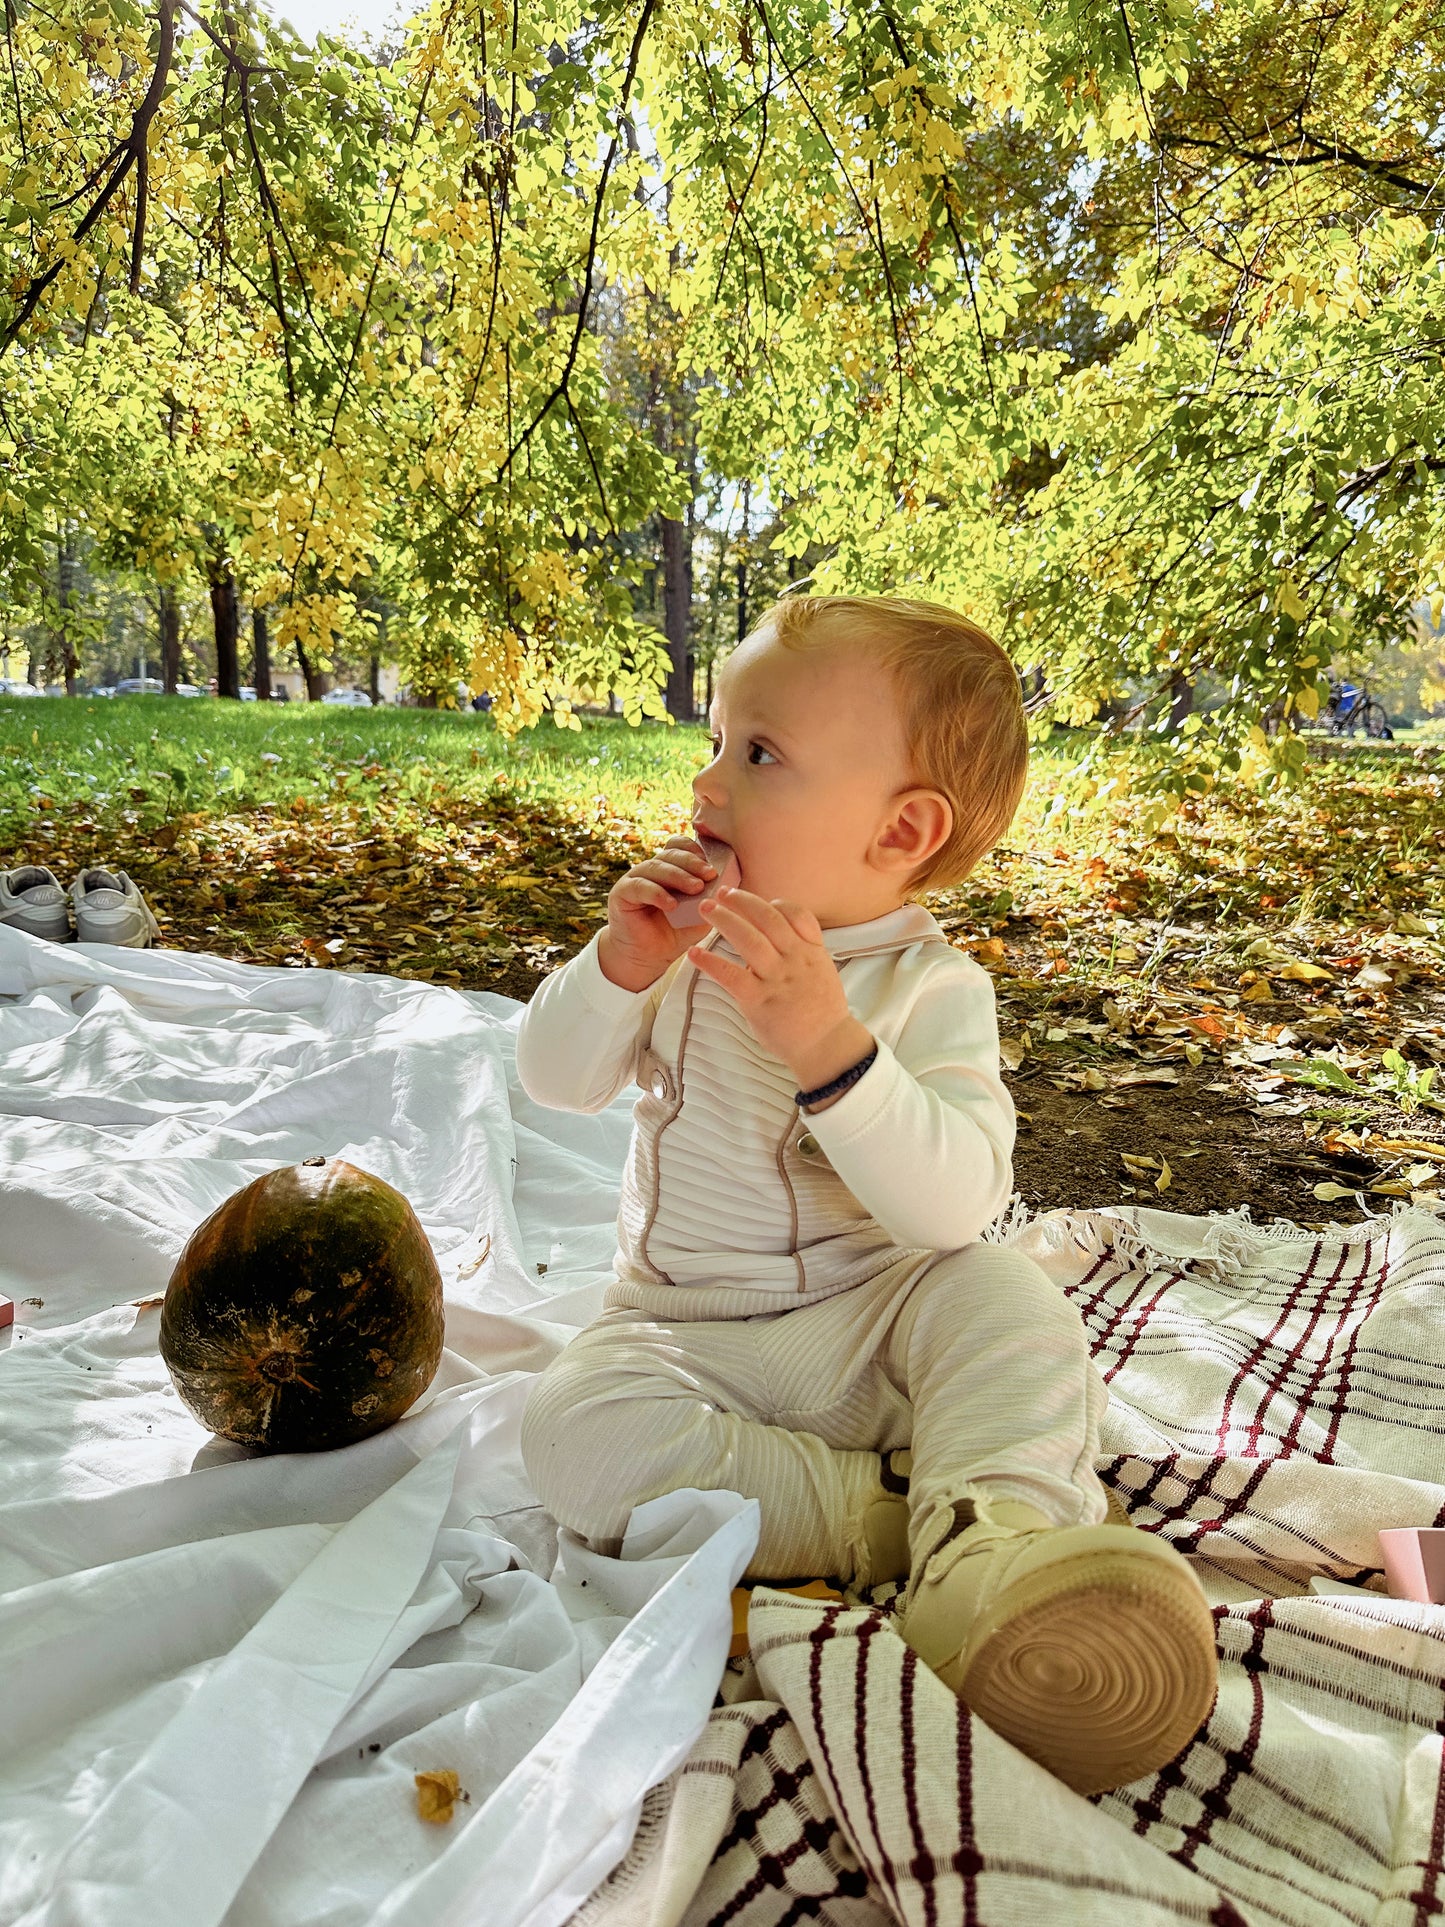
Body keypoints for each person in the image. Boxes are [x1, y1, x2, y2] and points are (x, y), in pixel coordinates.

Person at [514, 593, 1217, 1796]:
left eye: (760, 753)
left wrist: (829, 1046)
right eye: (719, 740)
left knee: (1008, 1297)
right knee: (566, 1432)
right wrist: (615, 963)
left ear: (900, 832)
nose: (708, 782)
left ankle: (998, 1538)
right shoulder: (682, 947)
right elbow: (554, 1080)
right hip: (685, 1343)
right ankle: (903, 1528)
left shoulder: (929, 990)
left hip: (872, 1330)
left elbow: (952, 1210)